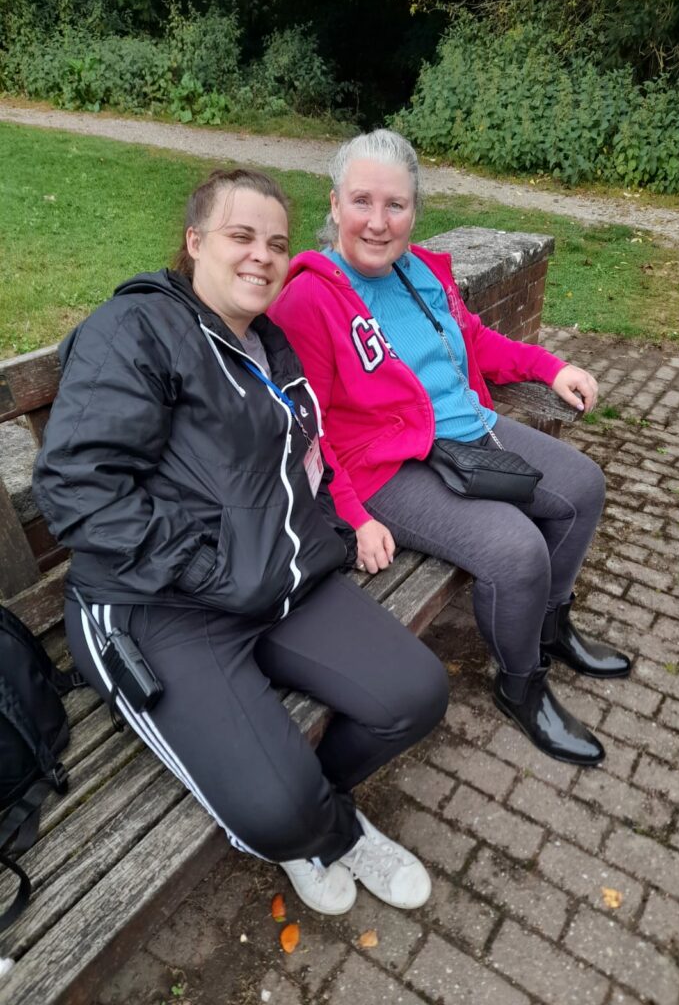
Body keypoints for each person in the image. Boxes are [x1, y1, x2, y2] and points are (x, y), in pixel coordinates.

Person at [33, 167, 449, 916]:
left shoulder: (269, 346)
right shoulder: (138, 331)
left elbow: (304, 462)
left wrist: (338, 524)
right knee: (277, 812)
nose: (263, 255)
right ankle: (325, 828)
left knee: (415, 696)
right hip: (156, 605)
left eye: (278, 243)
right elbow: (77, 486)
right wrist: (208, 568)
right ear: (195, 243)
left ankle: (307, 807)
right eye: (241, 236)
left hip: (276, 581)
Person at [269, 130, 632, 768]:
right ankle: (521, 684)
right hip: (388, 467)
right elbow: (308, 426)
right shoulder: (310, 299)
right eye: (362, 202)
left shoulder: (420, 272)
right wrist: (353, 515)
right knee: (515, 550)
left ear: (415, 211)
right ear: (333, 205)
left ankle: (550, 625)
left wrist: (549, 368)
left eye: (396, 206)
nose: (378, 224)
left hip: (466, 432)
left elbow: (473, 342)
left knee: (581, 487)